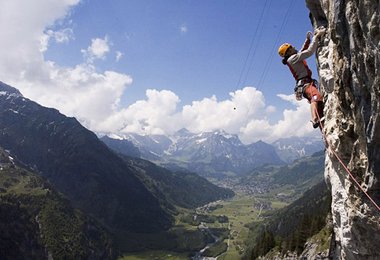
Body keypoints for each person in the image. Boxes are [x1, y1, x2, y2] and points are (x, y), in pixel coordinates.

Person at [278, 27, 326, 128]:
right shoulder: (292, 58)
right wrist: (316, 37)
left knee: (319, 102)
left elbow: (302, 50)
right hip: (306, 85)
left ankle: (320, 121)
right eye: (291, 47)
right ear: (289, 52)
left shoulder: (292, 58)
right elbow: (308, 52)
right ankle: (314, 119)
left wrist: (307, 40)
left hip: (305, 85)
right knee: (315, 97)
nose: (294, 47)